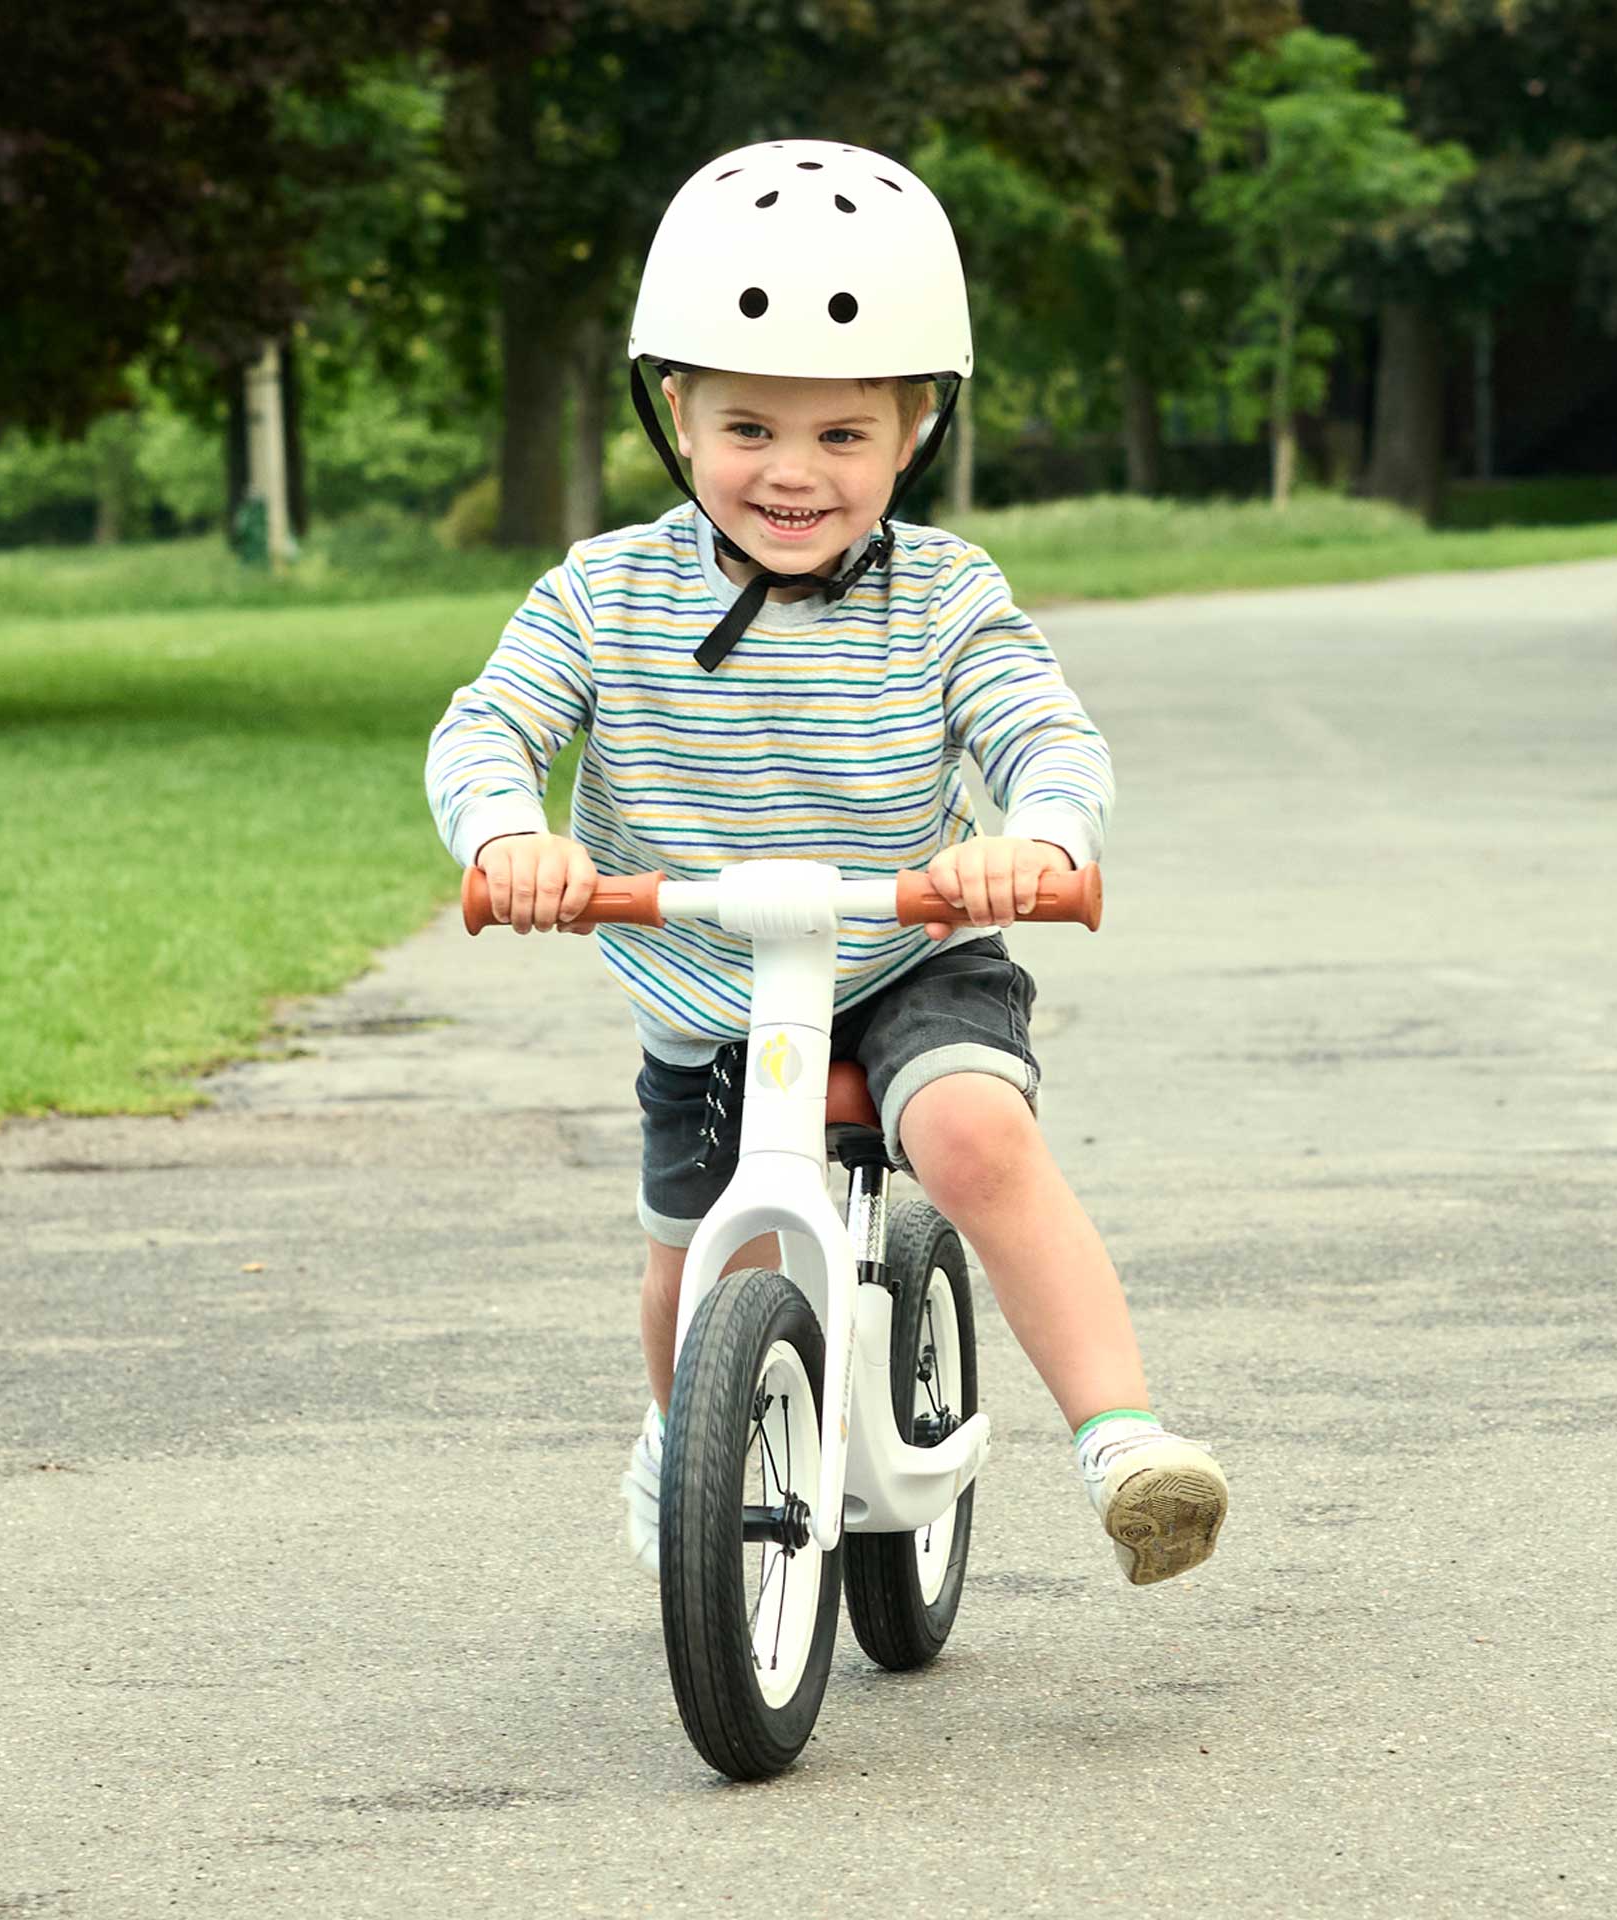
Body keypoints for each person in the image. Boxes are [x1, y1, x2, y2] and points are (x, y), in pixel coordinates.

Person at [426, 140, 1227, 1589]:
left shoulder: (945, 592)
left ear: (914, 431)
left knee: (975, 1136)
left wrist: (1040, 837)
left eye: (843, 439)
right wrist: (509, 835)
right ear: (674, 412)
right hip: (704, 985)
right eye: (747, 428)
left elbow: (1044, 731)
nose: (791, 474)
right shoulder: (604, 591)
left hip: (912, 948)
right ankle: (684, 1440)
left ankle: (1124, 1440)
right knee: (695, 1261)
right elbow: (492, 724)